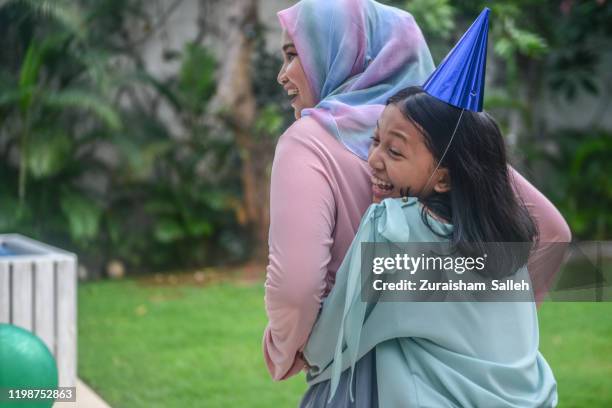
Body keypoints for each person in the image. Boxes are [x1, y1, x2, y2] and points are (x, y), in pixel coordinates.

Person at [263, 0, 570, 400]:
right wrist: (483, 328)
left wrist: (287, 349)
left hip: (356, 374)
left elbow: (296, 288)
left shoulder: (310, 141)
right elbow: (551, 232)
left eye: (293, 55)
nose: (282, 75)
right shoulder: (443, 132)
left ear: (337, 52)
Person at [301, 86, 558, 407]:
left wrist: (299, 348)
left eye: (394, 152)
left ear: (444, 179)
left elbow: (331, 340)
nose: (373, 160)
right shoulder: (509, 234)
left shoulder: (391, 228)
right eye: (375, 141)